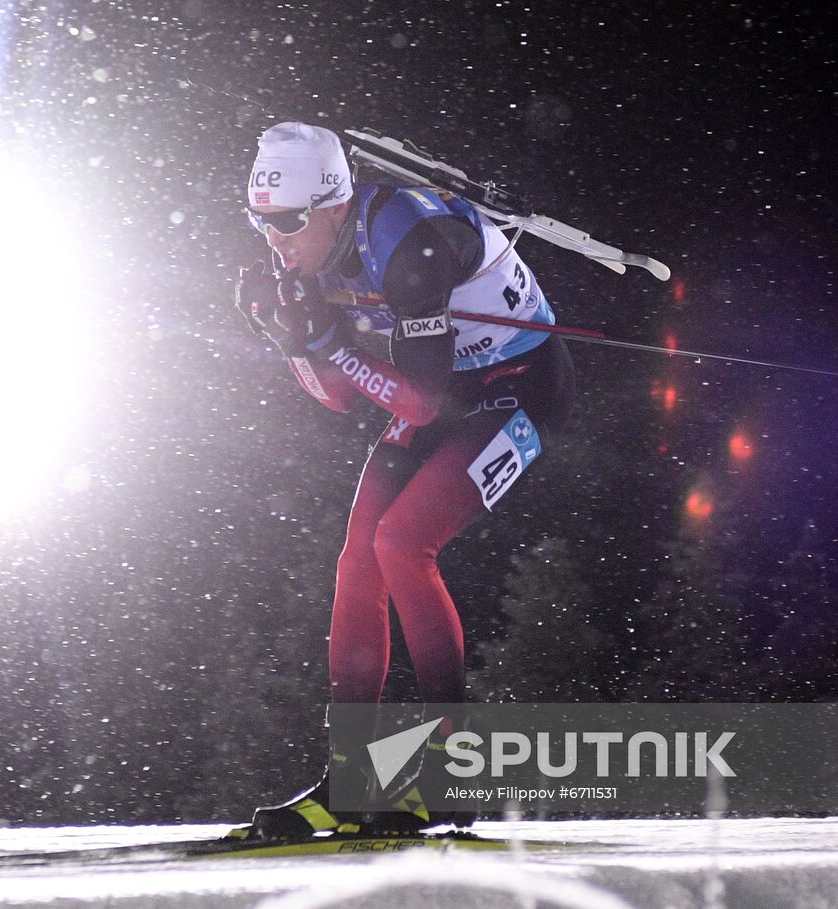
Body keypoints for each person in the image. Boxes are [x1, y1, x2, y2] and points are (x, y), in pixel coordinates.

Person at [233, 122, 576, 838]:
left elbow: (419, 402)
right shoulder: (306, 250)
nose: (275, 239)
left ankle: (455, 765)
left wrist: (324, 339)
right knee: (360, 554)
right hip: (440, 387)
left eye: (288, 222)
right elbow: (337, 395)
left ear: (332, 205)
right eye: (260, 221)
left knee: (404, 542)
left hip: (520, 384)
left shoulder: (409, 243)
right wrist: (293, 341)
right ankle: (353, 776)